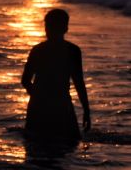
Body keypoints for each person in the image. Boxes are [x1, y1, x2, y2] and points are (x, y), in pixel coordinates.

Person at [21, 8, 90, 145]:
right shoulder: (72, 50)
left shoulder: (39, 50)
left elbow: (25, 81)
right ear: (66, 28)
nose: (48, 30)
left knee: (36, 148)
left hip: (43, 106)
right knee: (68, 146)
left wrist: (37, 95)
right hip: (60, 105)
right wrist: (86, 110)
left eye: (49, 26)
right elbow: (79, 83)